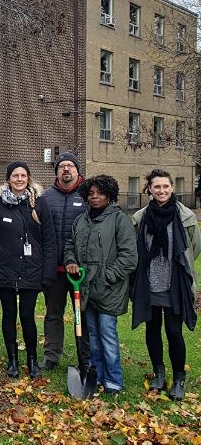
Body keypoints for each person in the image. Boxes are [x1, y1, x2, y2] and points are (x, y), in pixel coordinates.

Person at [131, 169, 201, 401]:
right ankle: (159, 374)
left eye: (165, 186)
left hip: (174, 285)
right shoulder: (140, 218)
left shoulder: (186, 217)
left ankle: (179, 378)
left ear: (172, 188)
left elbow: (194, 248)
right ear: (149, 190)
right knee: (152, 330)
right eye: (156, 187)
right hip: (149, 283)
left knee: (173, 331)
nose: (161, 190)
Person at [64, 176, 137, 395]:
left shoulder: (119, 220)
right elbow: (70, 245)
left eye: (100, 193)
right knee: (93, 338)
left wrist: (107, 276)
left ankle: (114, 381)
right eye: (91, 193)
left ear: (109, 195)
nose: (95, 197)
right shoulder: (81, 220)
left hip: (109, 289)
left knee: (107, 336)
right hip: (86, 288)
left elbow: (129, 257)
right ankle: (97, 377)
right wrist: (70, 262)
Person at [0, 161, 56, 379]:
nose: (19, 179)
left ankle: (32, 360)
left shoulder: (39, 204)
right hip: (4, 270)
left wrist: (48, 273)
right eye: (14, 175)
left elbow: (49, 240)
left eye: (23, 175)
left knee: (27, 316)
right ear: (8, 179)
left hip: (31, 270)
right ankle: (12, 360)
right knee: (8, 315)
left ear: (28, 178)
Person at [40, 151, 86, 371]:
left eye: (70, 166)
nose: (66, 169)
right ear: (57, 171)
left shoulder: (88, 195)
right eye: (61, 166)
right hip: (54, 269)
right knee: (53, 314)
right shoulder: (46, 198)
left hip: (81, 269)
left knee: (83, 314)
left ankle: (84, 356)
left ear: (77, 170)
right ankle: (51, 355)